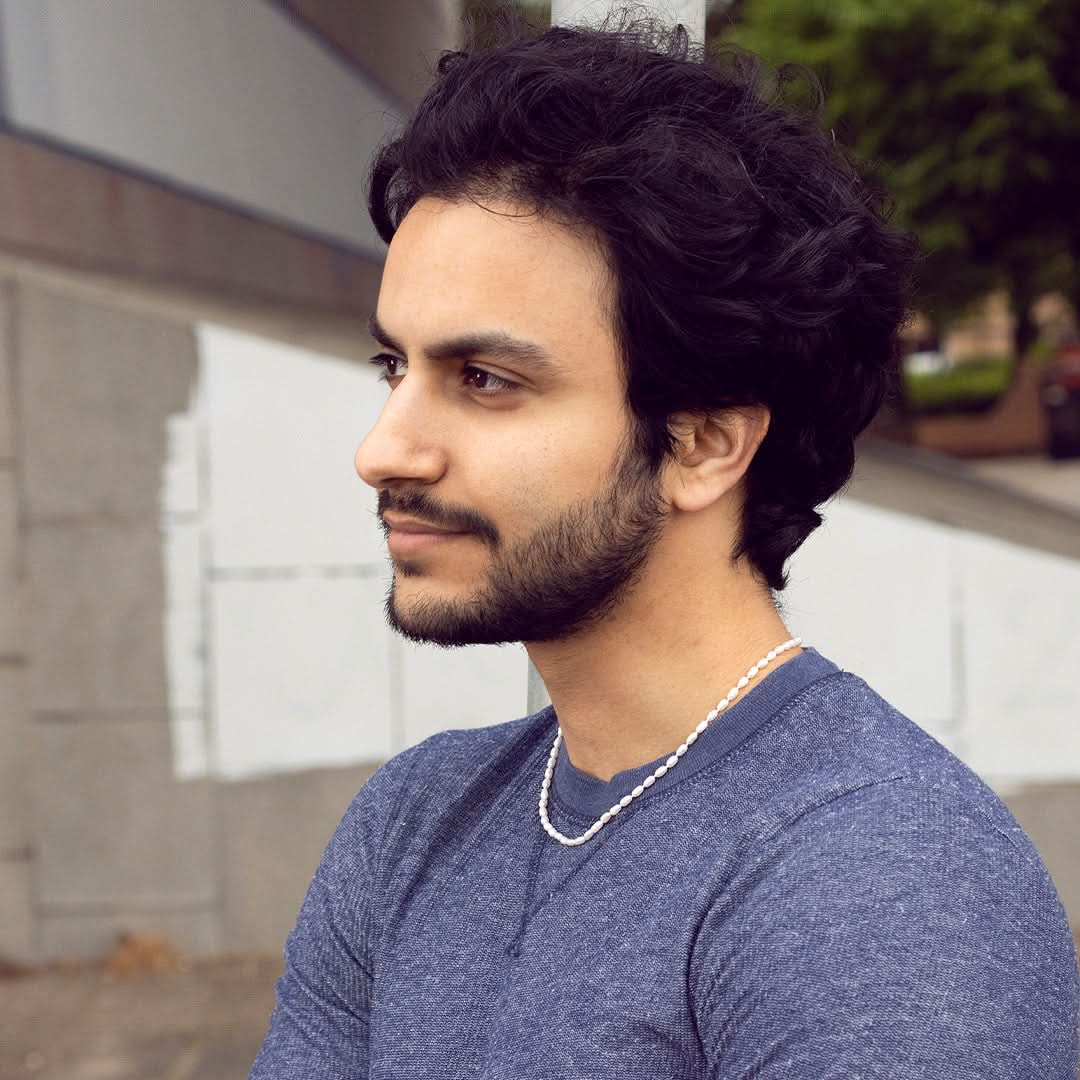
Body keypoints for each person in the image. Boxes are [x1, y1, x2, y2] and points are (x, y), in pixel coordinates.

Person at [249, 9, 1079, 1078]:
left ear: (702, 444)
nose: (383, 449)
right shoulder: (409, 826)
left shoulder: (878, 880)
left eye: (486, 381)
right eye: (392, 369)